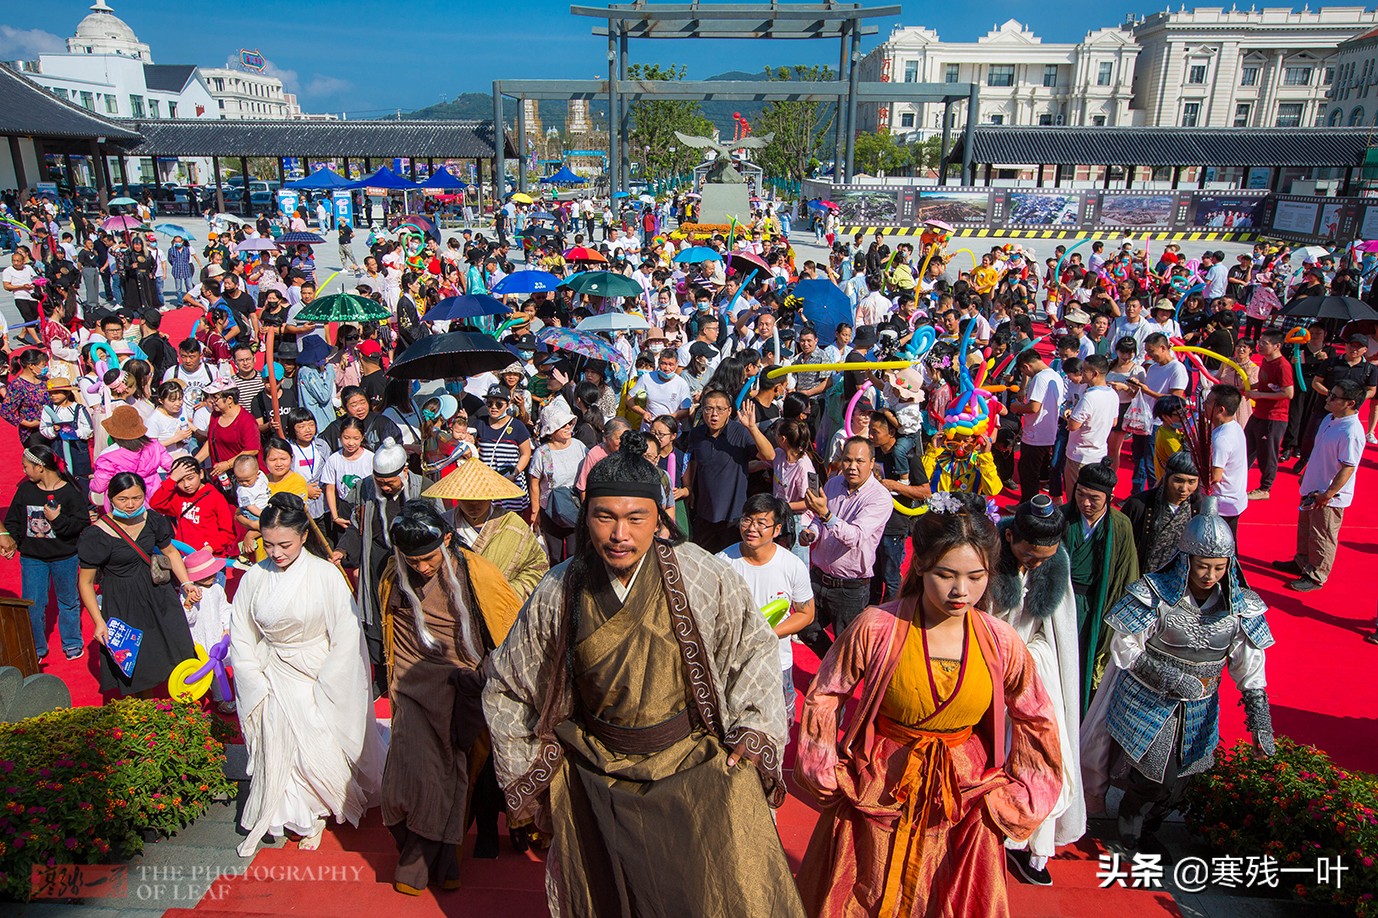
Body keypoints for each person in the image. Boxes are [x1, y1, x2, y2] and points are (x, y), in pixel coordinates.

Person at [483, 434, 803, 918]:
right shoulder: (559, 587)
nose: (620, 534)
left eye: (636, 518)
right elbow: (507, 684)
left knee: (705, 894)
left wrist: (754, 727)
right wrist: (535, 769)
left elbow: (753, 647)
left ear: (659, 519)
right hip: (594, 774)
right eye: (605, 516)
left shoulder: (699, 573)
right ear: (585, 516)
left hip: (692, 765)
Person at [795, 490, 1063, 917]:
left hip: (964, 798)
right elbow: (826, 693)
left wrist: (1022, 794)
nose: (961, 591)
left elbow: (1037, 716)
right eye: (946, 574)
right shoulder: (877, 626)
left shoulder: (1000, 641)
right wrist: (825, 767)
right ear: (919, 565)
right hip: (881, 783)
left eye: (976, 577)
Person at [1082, 498, 1275, 853]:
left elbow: (1250, 667)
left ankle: (1149, 828)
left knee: (1184, 781)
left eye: (1218, 567)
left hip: (1201, 706)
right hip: (1148, 699)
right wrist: (1168, 679)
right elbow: (1126, 647)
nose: (1209, 575)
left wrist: (1260, 724)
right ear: (1186, 560)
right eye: (1203, 566)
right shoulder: (1155, 594)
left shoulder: (1240, 607)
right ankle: (1129, 829)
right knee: (1153, 777)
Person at [376, 501, 522, 893]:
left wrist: (486, 676)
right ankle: (421, 854)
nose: (422, 568)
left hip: (462, 689)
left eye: (428, 558)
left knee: (451, 775)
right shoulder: (392, 573)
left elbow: (509, 627)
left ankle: (429, 865)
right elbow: (392, 632)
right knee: (404, 778)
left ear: (445, 539)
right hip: (409, 689)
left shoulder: (477, 571)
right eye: (413, 560)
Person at [232, 493, 385, 857]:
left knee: (316, 738)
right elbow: (242, 632)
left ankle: (318, 806)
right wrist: (252, 675)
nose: (276, 553)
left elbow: (346, 633)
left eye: (284, 545)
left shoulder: (325, 574)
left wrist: (332, 679)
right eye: (269, 544)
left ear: (303, 536)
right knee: (280, 740)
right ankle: (301, 812)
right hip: (273, 667)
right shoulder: (255, 577)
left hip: (317, 667)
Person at [987, 494, 1085, 887]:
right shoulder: (987, 557)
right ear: (1010, 537)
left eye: (1045, 557)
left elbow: (1058, 636)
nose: (1036, 564)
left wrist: (1025, 658)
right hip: (986, 670)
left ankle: (1034, 845)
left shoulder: (1055, 567)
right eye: (1029, 555)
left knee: (1042, 757)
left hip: (1035, 676)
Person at [76, 472, 199, 696]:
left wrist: (186, 583)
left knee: (177, 649)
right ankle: (146, 708)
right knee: (140, 665)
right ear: (110, 498)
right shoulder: (95, 535)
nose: (131, 505)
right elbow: (85, 582)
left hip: (158, 595)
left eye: (137, 498)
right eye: (123, 499)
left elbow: (171, 552)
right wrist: (98, 621)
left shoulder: (153, 520)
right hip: (123, 603)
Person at [335, 437, 433, 689]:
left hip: (412, 566)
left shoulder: (424, 489)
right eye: (381, 483)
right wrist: (342, 550)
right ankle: (380, 678)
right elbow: (356, 527)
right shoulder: (366, 488)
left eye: (390, 483)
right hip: (376, 563)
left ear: (405, 472)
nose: (386, 488)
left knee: (410, 619)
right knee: (377, 621)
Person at [718, 493, 817, 722]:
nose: (752, 528)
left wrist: (769, 633)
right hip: (734, 663)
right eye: (747, 520)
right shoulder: (722, 562)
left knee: (779, 722)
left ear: (776, 529)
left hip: (776, 663)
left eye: (761, 523)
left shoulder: (792, 565)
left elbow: (806, 613)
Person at [797, 436, 892, 659]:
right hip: (819, 577)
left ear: (872, 463)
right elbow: (819, 520)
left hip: (850, 587)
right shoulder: (833, 484)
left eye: (859, 461)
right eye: (847, 460)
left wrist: (825, 514)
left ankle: (836, 671)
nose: (852, 466)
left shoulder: (880, 498)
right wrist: (811, 533)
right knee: (804, 627)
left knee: (848, 646)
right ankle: (830, 664)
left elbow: (855, 537)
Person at [1060, 459, 1140, 713]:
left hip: (1098, 605)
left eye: (1094, 498)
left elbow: (1127, 573)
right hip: (1061, 603)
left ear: (1109, 497)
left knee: (1087, 662)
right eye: (1080, 494)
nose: (1085, 503)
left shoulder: (1120, 525)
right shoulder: (1061, 517)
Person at [0, 444, 90, 662]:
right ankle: (37, 647)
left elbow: (81, 524)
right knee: (33, 604)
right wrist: (12, 542)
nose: (24, 470)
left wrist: (57, 520)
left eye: (26, 467)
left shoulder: (70, 492)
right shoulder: (25, 490)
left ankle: (72, 642)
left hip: (65, 558)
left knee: (68, 601)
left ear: (40, 467)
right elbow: (13, 520)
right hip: (32, 559)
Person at [1276, 380, 1366, 592]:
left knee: (1322, 535)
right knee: (1306, 529)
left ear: (1350, 403)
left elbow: (1348, 467)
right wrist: (1307, 475)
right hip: (1313, 486)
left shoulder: (1351, 432)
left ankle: (1317, 574)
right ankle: (1302, 561)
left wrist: (1329, 494)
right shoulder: (1330, 418)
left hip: (1328, 495)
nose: (1328, 398)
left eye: (1334, 396)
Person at [433, 456, 549, 602]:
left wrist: (504, 592)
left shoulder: (512, 524)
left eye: (480, 498)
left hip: (502, 604)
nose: (473, 504)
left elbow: (537, 566)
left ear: (490, 496)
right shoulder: (443, 525)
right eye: (466, 498)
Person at [683, 391, 776, 554]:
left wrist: (752, 428)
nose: (714, 414)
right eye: (709, 409)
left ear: (729, 411)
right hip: (704, 513)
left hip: (733, 515)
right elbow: (692, 462)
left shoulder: (740, 432)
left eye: (720, 409)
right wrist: (689, 488)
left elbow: (769, 456)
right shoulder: (696, 434)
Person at [1121, 450, 1203, 574]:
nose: (1184, 488)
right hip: (1141, 575)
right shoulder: (1139, 505)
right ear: (1166, 477)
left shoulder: (1199, 509)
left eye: (1191, 482)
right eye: (1178, 480)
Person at [527, 397, 588, 564]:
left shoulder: (579, 446)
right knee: (555, 556)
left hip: (574, 507)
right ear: (551, 430)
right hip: (550, 510)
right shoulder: (542, 453)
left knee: (574, 555)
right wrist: (535, 511)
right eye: (563, 425)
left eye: (569, 423)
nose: (568, 427)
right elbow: (534, 482)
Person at [150, 456, 238, 558]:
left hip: (210, 557)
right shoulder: (178, 495)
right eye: (180, 480)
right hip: (185, 555)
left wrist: (211, 547)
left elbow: (228, 533)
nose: (186, 485)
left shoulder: (216, 497)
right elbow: (155, 504)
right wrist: (172, 480)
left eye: (190, 478)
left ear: (201, 474)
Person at [1244, 329, 1295, 501]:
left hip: (1274, 417)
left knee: (1267, 454)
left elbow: (1288, 393)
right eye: (1259, 342)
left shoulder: (1282, 366)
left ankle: (1265, 488)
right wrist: (1248, 388)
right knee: (1247, 447)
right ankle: (1238, 479)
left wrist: (1259, 395)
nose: (1259, 346)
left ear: (1277, 346)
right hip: (1259, 413)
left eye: (1264, 343)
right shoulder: (1266, 361)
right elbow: (1266, 384)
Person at [1011, 349, 1063, 502]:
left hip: (1035, 433)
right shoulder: (1055, 375)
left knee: (1028, 471)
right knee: (1035, 470)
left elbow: (1034, 407)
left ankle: (1027, 504)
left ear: (1026, 366)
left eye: (1024, 372)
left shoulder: (1040, 378)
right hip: (1048, 430)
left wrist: (1017, 407)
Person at [1063, 354, 1117, 498]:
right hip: (1099, 453)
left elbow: (1073, 425)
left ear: (1094, 374)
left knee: (1076, 496)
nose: (1081, 373)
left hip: (1080, 454)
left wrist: (1069, 416)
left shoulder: (1089, 397)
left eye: (1084, 370)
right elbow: (1114, 422)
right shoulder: (1112, 394)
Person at [1207, 384, 1248, 534]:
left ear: (1220, 409)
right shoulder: (1234, 427)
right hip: (1234, 499)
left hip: (1222, 504)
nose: (1204, 405)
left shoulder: (1222, 438)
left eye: (1208, 402)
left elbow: (1215, 476)